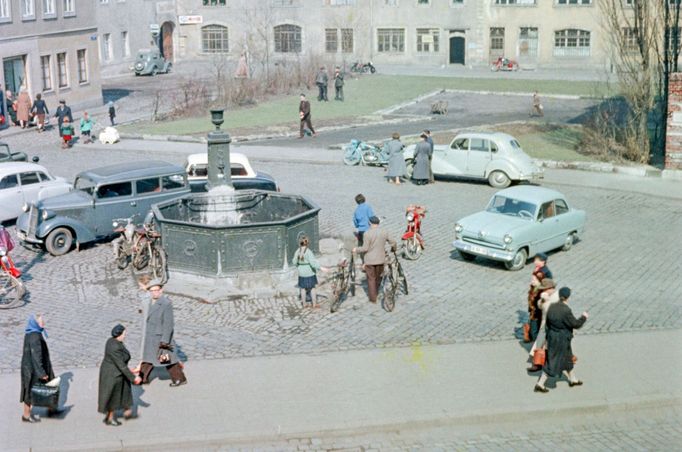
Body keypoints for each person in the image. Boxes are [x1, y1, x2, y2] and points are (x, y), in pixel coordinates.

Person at [535, 287, 588, 393]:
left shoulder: (552, 306)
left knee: (568, 358)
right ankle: (540, 384)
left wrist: (547, 338)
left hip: (553, 337)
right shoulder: (566, 310)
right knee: (552, 362)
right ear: (568, 297)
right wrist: (584, 317)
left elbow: (548, 325)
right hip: (561, 340)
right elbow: (575, 324)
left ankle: (572, 379)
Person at [139, 279, 187, 387]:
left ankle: (179, 378)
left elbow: (168, 324)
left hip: (160, 338)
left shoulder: (166, 304)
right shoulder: (150, 301)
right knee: (148, 359)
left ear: (161, 290)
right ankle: (142, 378)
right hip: (151, 336)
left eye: (156, 290)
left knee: (167, 360)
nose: (154, 293)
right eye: (152, 291)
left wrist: (164, 341)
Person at [98, 324, 142, 426]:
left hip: (116, 373)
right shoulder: (115, 347)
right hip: (112, 375)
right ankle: (110, 419)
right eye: (124, 333)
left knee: (121, 393)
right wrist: (134, 378)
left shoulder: (112, 341)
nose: (125, 335)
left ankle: (126, 411)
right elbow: (121, 365)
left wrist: (130, 371)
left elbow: (121, 364)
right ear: (119, 334)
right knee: (113, 396)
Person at [20, 314, 58, 423]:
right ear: (36, 324)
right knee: (31, 392)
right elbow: (36, 356)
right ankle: (26, 416)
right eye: (41, 322)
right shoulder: (35, 337)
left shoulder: (30, 333)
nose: (43, 323)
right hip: (35, 369)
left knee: (48, 387)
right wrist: (42, 373)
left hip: (31, 367)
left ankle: (51, 409)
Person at [353, 216, 396, 304]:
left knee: (371, 279)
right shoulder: (384, 232)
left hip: (370, 261)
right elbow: (393, 242)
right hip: (381, 259)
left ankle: (373, 298)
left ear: (369, 223)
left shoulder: (367, 233)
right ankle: (377, 290)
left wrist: (356, 249)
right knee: (378, 277)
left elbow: (365, 248)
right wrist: (394, 249)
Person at [527, 278, 558, 372]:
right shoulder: (545, 296)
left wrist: (546, 301)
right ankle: (537, 363)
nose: (542, 291)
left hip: (554, 326)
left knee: (552, 346)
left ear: (550, 288)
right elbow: (539, 306)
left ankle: (553, 364)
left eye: (544, 289)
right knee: (539, 344)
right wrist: (542, 300)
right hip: (545, 325)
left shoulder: (557, 297)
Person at [292, 236, 327, 308]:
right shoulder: (308, 252)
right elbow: (313, 263)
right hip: (310, 273)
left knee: (302, 288)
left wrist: (299, 265)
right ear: (307, 243)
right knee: (312, 288)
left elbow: (294, 262)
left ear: (299, 243)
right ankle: (314, 304)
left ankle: (304, 304)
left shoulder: (297, 251)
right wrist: (321, 268)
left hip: (301, 274)